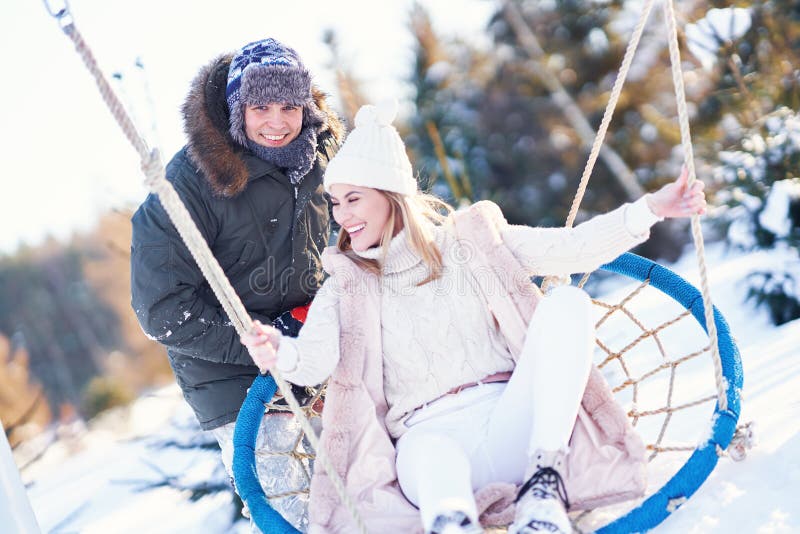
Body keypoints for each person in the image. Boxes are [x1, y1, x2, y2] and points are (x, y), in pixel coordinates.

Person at [242, 101, 706, 534]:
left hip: (512, 425)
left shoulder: (472, 243)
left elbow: (571, 248)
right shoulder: (346, 282)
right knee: (430, 455)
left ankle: (544, 485)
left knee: (568, 303)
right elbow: (315, 360)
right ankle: (451, 521)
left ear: (391, 194)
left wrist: (649, 209)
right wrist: (279, 350)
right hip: (426, 442)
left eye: (354, 199)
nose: (342, 216)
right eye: (336, 203)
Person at [130, 37, 343, 505]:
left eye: (289, 106)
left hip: (313, 357)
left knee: (364, 488)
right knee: (294, 504)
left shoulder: (321, 158)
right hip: (235, 381)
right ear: (235, 109)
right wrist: (264, 344)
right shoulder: (192, 181)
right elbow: (162, 308)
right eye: (260, 106)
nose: (277, 122)